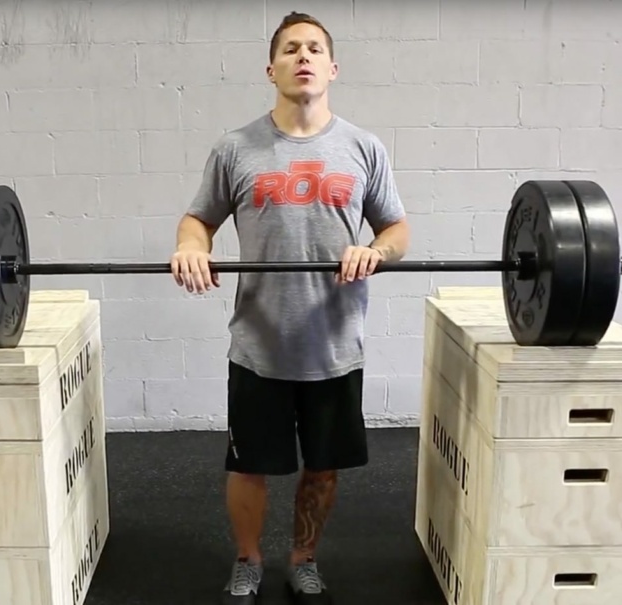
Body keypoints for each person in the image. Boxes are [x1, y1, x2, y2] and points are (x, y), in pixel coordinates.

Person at [170, 10, 409, 604]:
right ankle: (248, 559)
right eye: (291, 49)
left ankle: (303, 557)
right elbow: (198, 219)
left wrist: (375, 248)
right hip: (259, 343)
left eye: (314, 49)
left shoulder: (363, 147)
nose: (303, 56)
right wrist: (189, 248)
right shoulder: (236, 148)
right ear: (271, 67)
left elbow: (398, 230)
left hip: (334, 342)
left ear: (332, 67)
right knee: (249, 465)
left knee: (323, 466)